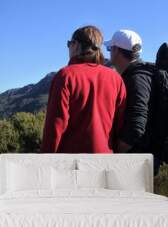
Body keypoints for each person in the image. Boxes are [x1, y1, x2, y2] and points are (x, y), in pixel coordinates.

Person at [40, 25, 126, 153]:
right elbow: (121, 125)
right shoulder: (115, 78)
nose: (68, 47)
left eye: (69, 43)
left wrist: (46, 161)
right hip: (106, 160)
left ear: (75, 45)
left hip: (73, 164)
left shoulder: (66, 76)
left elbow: (55, 127)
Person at [104, 29, 161, 174]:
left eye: (109, 48)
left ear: (116, 50)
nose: (109, 53)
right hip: (142, 158)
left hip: (136, 162)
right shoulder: (140, 74)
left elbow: (136, 126)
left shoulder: (136, 79)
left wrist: (116, 153)